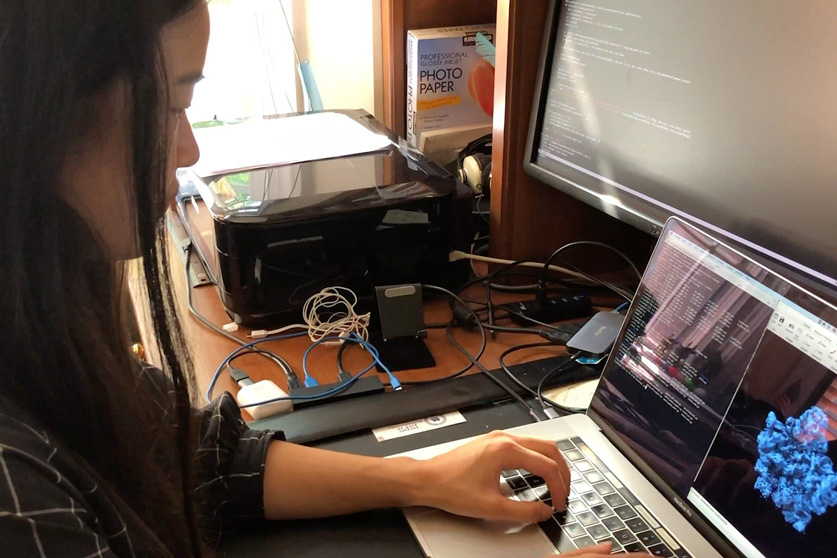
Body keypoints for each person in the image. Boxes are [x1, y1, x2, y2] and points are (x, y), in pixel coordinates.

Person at [0, 2, 651, 557]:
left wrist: (420, 477)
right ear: (43, 108)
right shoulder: (17, 502)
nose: (189, 151)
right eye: (172, 107)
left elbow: (195, 453)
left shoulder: (42, 341)